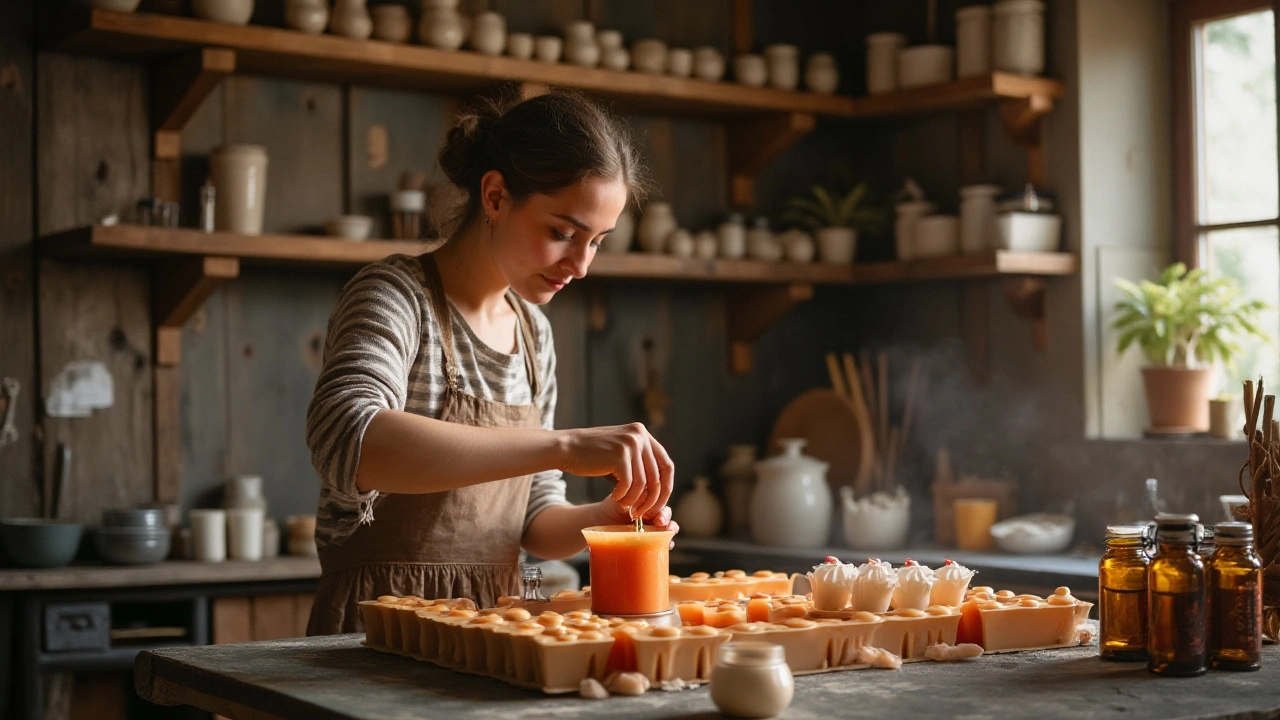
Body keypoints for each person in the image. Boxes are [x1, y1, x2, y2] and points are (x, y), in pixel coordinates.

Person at [304, 90, 677, 635]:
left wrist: (604, 521)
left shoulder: (532, 334)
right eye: (562, 233)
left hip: (496, 628)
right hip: (374, 633)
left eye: (596, 241)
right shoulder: (395, 296)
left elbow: (534, 518)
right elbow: (349, 439)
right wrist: (566, 446)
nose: (580, 265)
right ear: (497, 196)